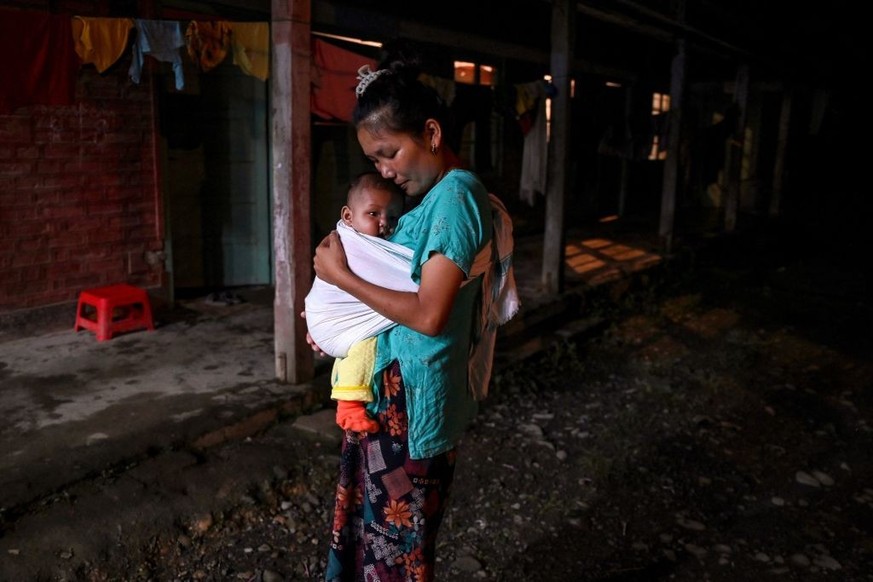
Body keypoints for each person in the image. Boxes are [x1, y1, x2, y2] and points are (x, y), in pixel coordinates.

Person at [307, 41, 518, 581]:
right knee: (375, 539)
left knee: (397, 550)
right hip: (391, 400)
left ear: (430, 133)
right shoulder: (427, 201)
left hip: (413, 413)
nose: (384, 171)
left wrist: (342, 278)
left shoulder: (456, 198)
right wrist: (339, 324)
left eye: (389, 154)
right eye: (374, 160)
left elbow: (428, 314)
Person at [312, 172, 405, 434]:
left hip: (338, 318)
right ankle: (348, 406)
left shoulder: (382, 247)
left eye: (393, 216)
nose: (384, 223)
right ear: (348, 217)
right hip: (334, 318)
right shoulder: (350, 244)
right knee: (366, 345)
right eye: (373, 214)